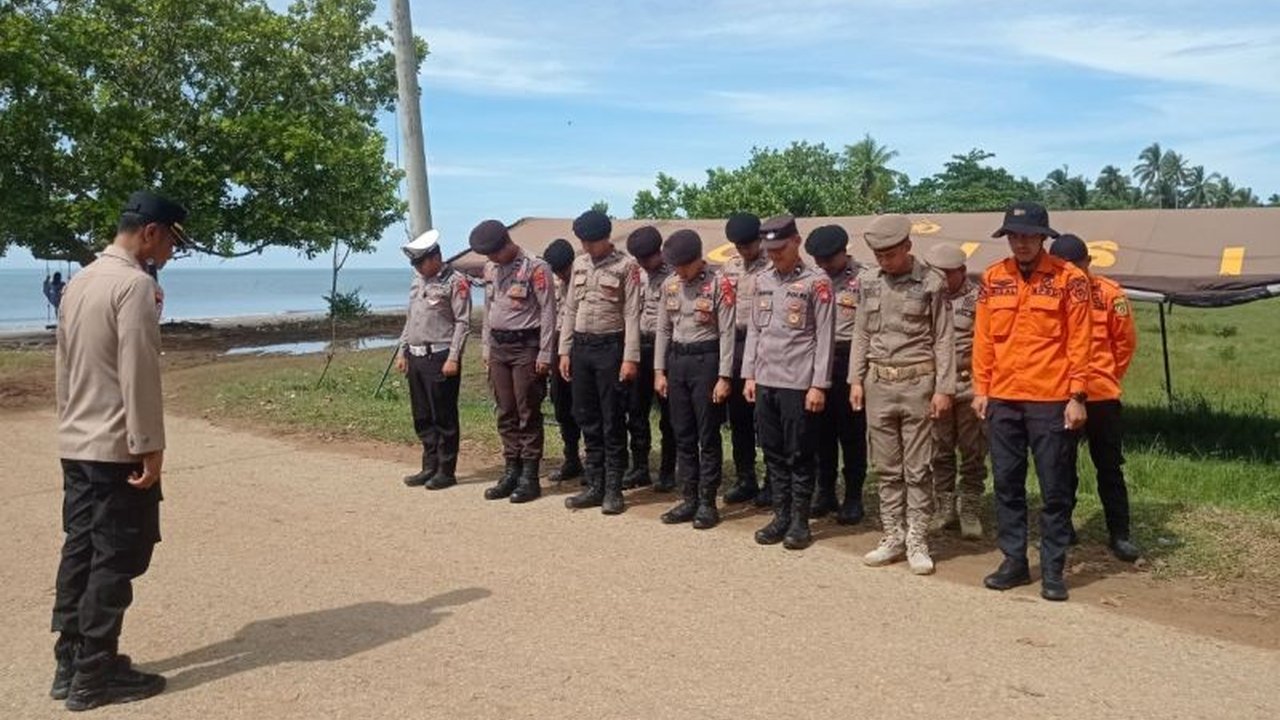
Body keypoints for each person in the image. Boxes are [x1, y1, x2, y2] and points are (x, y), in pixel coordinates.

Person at [51, 189, 192, 710]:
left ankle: (70, 662)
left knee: (81, 548)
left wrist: (68, 425)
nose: (173, 253)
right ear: (151, 233)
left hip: (77, 440)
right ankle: (94, 674)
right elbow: (139, 372)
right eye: (173, 242)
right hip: (116, 444)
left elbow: (64, 366)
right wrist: (149, 445)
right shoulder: (132, 286)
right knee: (116, 555)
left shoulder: (80, 281)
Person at [973, 202, 1091, 602]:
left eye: (1028, 236)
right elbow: (984, 340)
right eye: (1014, 235)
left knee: (1055, 488)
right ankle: (1014, 561)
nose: (1021, 243)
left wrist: (1077, 395)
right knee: (1007, 484)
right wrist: (981, 389)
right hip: (1003, 398)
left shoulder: (1069, 279)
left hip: (1051, 399)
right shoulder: (993, 278)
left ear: (1043, 237)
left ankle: (1054, 569)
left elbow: (1080, 340)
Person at [850, 215, 955, 575]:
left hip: (918, 384)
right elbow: (861, 333)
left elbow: (943, 338)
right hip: (879, 382)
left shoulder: (931, 282)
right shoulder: (866, 281)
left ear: (908, 247)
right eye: (878, 254)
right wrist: (855, 380)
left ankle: (917, 539)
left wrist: (944, 388)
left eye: (890, 254)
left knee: (918, 467)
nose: (884, 261)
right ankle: (892, 535)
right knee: (887, 467)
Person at [743, 215, 835, 550]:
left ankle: (799, 521)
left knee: (799, 453)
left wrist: (818, 385)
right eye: (769, 249)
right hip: (766, 378)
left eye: (780, 248)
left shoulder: (817, 281)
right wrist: (749, 374)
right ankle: (780, 516)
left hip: (799, 381)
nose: (774, 255)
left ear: (796, 242)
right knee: (772, 451)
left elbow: (824, 336)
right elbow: (755, 329)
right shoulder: (762, 279)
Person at [1048, 234, 1141, 562]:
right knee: (1061, 466)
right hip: (1060, 394)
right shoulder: (1049, 294)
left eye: (1077, 266)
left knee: (1109, 467)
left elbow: (1125, 344)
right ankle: (1063, 528)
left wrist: (1106, 377)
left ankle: (1119, 534)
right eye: (1063, 267)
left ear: (1088, 264)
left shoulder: (1110, 294)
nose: (1071, 272)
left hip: (1100, 396)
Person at [560, 210, 642, 515]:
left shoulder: (626, 266)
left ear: (605, 239)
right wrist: (564, 351)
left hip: (611, 348)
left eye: (590, 242)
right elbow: (569, 308)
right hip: (581, 347)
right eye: (582, 242)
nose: (585, 248)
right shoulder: (580, 263)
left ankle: (613, 489)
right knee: (586, 417)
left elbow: (632, 313)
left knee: (612, 420)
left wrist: (630, 358)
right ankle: (594, 484)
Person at [653, 229, 736, 528]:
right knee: (682, 432)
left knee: (707, 435)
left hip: (707, 362)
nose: (679, 271)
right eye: (675, 265)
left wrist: (724, 376)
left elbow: (727, 332)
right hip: (677, 362)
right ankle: (688, 497)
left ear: (698, 260)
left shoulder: (719, 284)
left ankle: (707, 501)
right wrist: (659, 371)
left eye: (683, 265)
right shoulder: (670, 285)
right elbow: (663, 330)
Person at [472, 219, 556, 504]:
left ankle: (529, 477)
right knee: (505, 409)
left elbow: (548, 312)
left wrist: (546, 353)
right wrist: (486, 347)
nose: (492, 259)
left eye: (495, 253)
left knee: (526, 410)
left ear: (507, 242)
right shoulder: (490, 268)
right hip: (498, 346)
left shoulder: (536, 266)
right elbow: (489, 308)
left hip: (526, 347)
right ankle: (511, 470)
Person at [395, 229, 471, 491]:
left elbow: (462, 322)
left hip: (440, 356)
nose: (417, 267)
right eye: (414, 263)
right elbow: (411, 317)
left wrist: (453, 357)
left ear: (435, 256)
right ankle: (429, 465)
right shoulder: (418, 280)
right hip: (416, 357)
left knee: (444, 416)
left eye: (420, 262)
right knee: (423, 415)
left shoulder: (455, 281)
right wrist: (402, 350)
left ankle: (446, 470)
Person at [804, 224, 869, 525]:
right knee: (819, 431)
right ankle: (824, 491)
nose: (823, 266)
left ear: (844, 252)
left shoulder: (864, 279)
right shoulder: (811, 279)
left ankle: (853, 496)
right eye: (818, 260)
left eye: (828, 260)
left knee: (852, 433)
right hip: (815, 361)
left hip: (848, 360)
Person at [926, 243, 988, 540]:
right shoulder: (927, 296)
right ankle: (944, 507)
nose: (940, 279)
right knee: (939, 448)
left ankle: (971, 507)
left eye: (947, 274)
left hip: (968, 385)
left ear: (961, 272)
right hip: (936, 386)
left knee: (973, 450)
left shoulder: (979, 298)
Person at [719, 212, 772, 506]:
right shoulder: (730, 267)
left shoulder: (772, 266)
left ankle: (772, 481)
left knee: (763, 419)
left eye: (748, 245)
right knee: (738, 418)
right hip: (735, 345)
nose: (744, 251)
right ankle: (745, 478)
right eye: (739, 246)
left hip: (765, 347)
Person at [623, 226, 677, 491]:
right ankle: (640, 467)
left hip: (666, 348)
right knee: (636, 409)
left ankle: (668, 470)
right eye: (639, 259)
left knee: (669, 414)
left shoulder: (675, 272)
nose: (643, 264)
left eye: (647, 258)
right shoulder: (636, 273)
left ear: (659, 251)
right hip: (639, 346)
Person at [542, 238, 584, 484]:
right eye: (556, 272)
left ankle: (594, 460)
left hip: (583, 343)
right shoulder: (554, 281)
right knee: (561, 404)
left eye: (563, 270)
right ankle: (571, 458)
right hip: (559, 345)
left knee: (587, 407)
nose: (561, 275)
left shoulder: (583, 276)